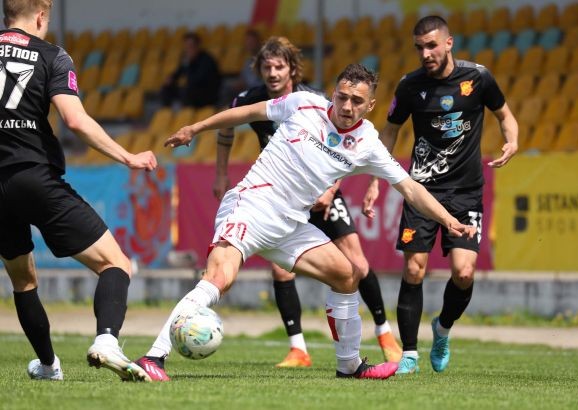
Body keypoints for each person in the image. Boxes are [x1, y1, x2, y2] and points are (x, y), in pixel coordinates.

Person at [135, 63, 476, 382]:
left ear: (370, 105)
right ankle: (153, 357)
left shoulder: (368, 143)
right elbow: (248, 112)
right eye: (342, 96)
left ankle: (349, 365)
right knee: (219, 278)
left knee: (346, 274)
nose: (346, 106)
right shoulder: (304, 104)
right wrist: (195, 128)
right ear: (334, 93)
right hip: (252, 206)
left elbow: (411, 188)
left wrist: (448, 221)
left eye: (357, 101)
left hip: (290, 225)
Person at [206, 36, 401, 369]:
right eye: (266, 67)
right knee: (281, 270)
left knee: (357, 263)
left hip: (323, 191)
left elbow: (341, 150)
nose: (272, 73)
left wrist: (330, 191)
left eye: (279, 66)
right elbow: (226, 130)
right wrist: (221, 173)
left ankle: (384, 333)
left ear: (292, 69)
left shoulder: (316, 100)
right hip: (283, 194)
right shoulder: (249, 99)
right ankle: (298, 349)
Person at [0, 0, 157, 382]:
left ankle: (48, 366)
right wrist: (127, 156)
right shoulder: (51, 55)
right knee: (116, 263)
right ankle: (107, 340)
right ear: (41, 16)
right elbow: (74, 119)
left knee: (23, 279)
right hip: (33, 175)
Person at [363, 15, 518, 375]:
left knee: (463, 273)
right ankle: (410, 355)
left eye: (432, 45)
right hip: (422, 190)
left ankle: (443, 329)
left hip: (466, 192)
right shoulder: (410, 86)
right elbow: (390, 131)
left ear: (449, 43)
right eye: (419, 47)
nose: (425, 53)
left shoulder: (478, 78)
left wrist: (512, 140)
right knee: (414, 268)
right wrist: (375, 178)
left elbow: (505, 115)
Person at [160, 32, 222, 108]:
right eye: (186, 47)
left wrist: (189, 66)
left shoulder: (207, 60)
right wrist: (171, 78)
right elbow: (179, 71)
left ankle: (187, 111)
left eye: (191, 46)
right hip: (191, 89)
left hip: (207, 92)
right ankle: (168, 112)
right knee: (166, 89)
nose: (188, 49)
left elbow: (199, 79)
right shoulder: (186, 58)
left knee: (187, 90)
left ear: (197, 46)